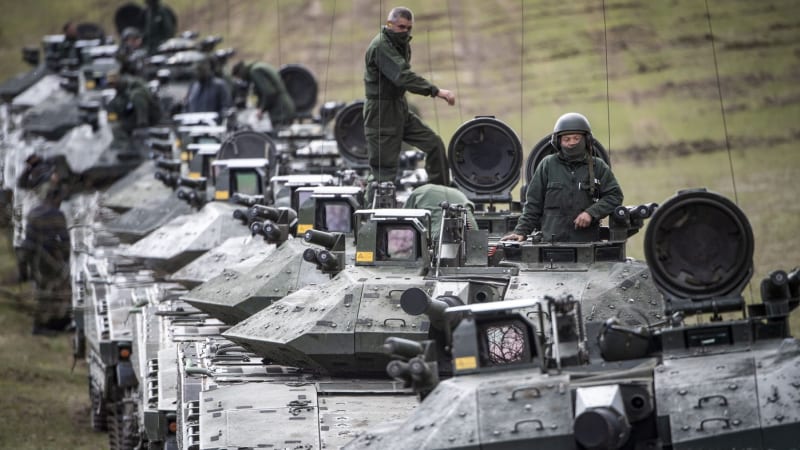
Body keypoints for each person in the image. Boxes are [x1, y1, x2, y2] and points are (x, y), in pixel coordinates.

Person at [363, 6, 456, 188]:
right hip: (381, 113)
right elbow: (402, 76)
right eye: (401, 27)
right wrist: (436, 91)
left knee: (434, 144)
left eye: (409, 28)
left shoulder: (398, 44)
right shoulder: (381, 46)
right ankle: (373, 213)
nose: (405, 32)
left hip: (399, 108)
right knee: (384, 173)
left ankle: (441, 193)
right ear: (389, 24)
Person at [502, 112, 623, 243]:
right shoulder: (547, 165)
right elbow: (533, 203)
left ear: (586, 140)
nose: (572, 143)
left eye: (576, 138)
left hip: (587, 244)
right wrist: (521, 231)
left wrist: (591, 213)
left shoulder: (598, 166)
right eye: (567, 139)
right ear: (558, 141)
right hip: (551, 243)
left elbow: (615, 196)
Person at [21, 186, 72, 335]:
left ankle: (49, 322)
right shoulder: (56, 214)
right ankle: (45, 324)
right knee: (52, 290)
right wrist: (65, 259)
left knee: (41, 289)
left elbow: (28, 239)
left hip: (33, 255)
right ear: (56, 198)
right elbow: (64, 240)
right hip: (48, 256)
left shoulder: (34, 212)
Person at [404, 184, 478, 241]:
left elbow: (403, 219)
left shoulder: (419, 192)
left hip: (439, 236)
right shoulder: (423, 191)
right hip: (460, 199)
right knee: (476, 242)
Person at [231, 60, 296, 126]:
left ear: (240, 72)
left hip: (280, 110)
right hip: (283, 107)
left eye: (239, 77)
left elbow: (269, 93)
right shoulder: (258, 66)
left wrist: (261, 110)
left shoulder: (255, 71)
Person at [106, 70, 162, 136]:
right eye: (111, 84)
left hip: (148, 116)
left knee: (118, 128)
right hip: (134, 114)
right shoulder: (121, 89)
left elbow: (141, 103)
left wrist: (142, 124)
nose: (112, 86)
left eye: (113, 83)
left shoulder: (134, 89)